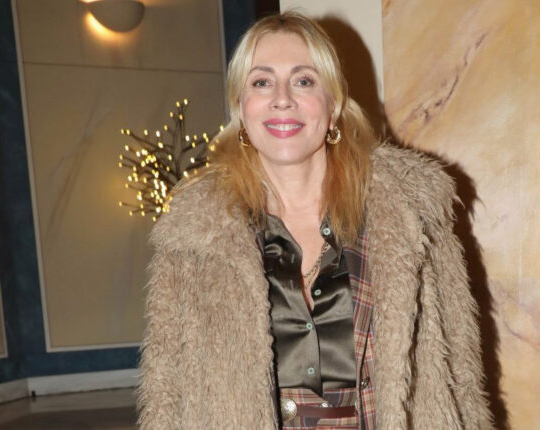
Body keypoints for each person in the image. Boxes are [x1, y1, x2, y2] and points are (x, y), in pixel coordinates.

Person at [137, 11, 492, 430]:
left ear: (334, 103)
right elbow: (168, 393)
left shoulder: (410, 213)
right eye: (261, 82)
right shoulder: (194, 237)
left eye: (304, 80)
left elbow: (459, 380)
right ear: (240, 107)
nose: (282, 98)